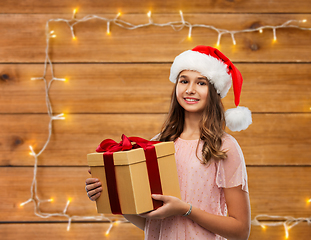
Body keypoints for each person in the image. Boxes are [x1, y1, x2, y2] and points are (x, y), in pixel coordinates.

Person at [85, 45, 252, 240]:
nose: (190, 90)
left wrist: (185, 210)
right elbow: (151, 222)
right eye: (184, 81)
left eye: (201, 83)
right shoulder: (157, 144)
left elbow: (241, 231)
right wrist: (111, 192)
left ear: (214, 90)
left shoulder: (224, 147)